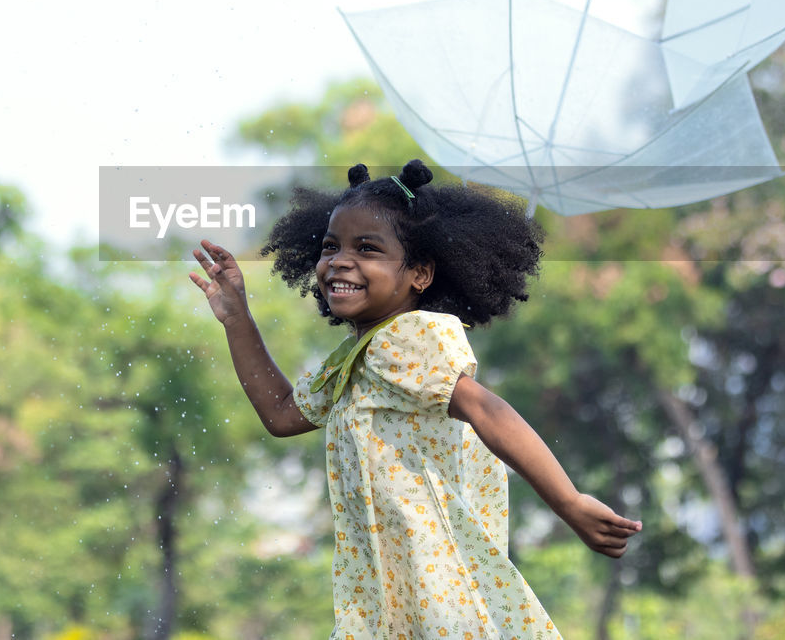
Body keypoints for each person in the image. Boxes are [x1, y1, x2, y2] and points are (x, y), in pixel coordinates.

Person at [190, 159, 641, 639]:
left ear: (420, 274)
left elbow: (485, 408)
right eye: (331, 246)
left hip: (435, 593)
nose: (340, 260)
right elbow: (281, 414)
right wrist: (237, 315)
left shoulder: (409, 338)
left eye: (367, 248)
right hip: (386, 597)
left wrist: (569, 502)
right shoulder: (355, 361)